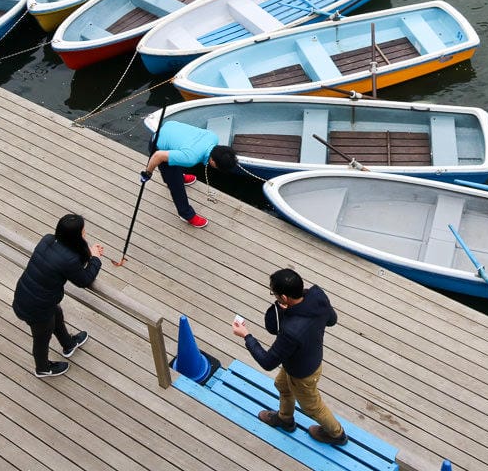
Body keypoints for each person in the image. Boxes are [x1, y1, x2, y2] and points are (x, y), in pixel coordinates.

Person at [231, 268, 348, 446]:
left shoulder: (291, 331)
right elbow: (331, 320)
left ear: (284, 298)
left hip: (302, 374)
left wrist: (246, 335)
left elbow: (267, 362)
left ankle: (337, 434)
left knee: (312, 407)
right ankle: (285, 419)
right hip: (305, 358)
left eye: (274, 293)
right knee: (281, 385)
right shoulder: (317, 295)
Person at [12, 213, 104, 377]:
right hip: (36, 308)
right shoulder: (69, 260)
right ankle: (43, 368)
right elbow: (84, 280)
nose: (85, 233)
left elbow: (68, 258)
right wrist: (95, 258)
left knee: (57, 314)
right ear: (76, 236)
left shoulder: (48, 239)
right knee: (41, 338)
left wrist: (88, 252)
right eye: (83, 232)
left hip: (27, 295)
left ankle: (68, 344)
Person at [141, 119, 239, 229]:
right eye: (218, 167)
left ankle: (178, 177)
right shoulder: (191, 158)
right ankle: (186, 214)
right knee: (176, 185)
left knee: (179, 160)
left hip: (171, 128)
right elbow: (158, 156)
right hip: (158, 145)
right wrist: (148, 173)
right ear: (212, 161)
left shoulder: (213, 137)